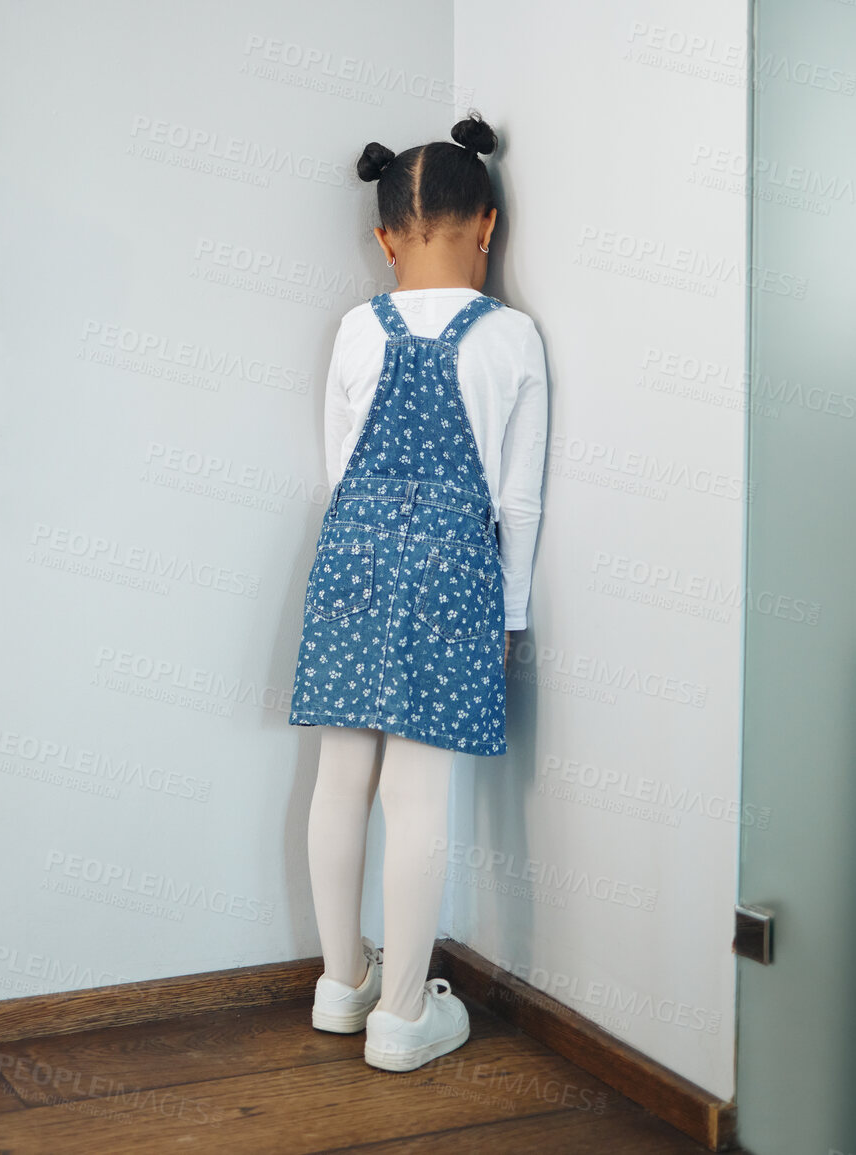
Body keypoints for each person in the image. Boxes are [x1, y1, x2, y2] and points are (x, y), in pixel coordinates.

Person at [287, 112, 548, 1073]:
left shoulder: (358, 328)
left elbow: (336, 466)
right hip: (451, 569)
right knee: (419, 792)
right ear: (486, 229)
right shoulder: (512, 337)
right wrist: (512, 615)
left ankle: (338, 981)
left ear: (384, 236)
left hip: (352, 554)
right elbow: (516, 501)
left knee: (339, 777)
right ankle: (402, 1015)